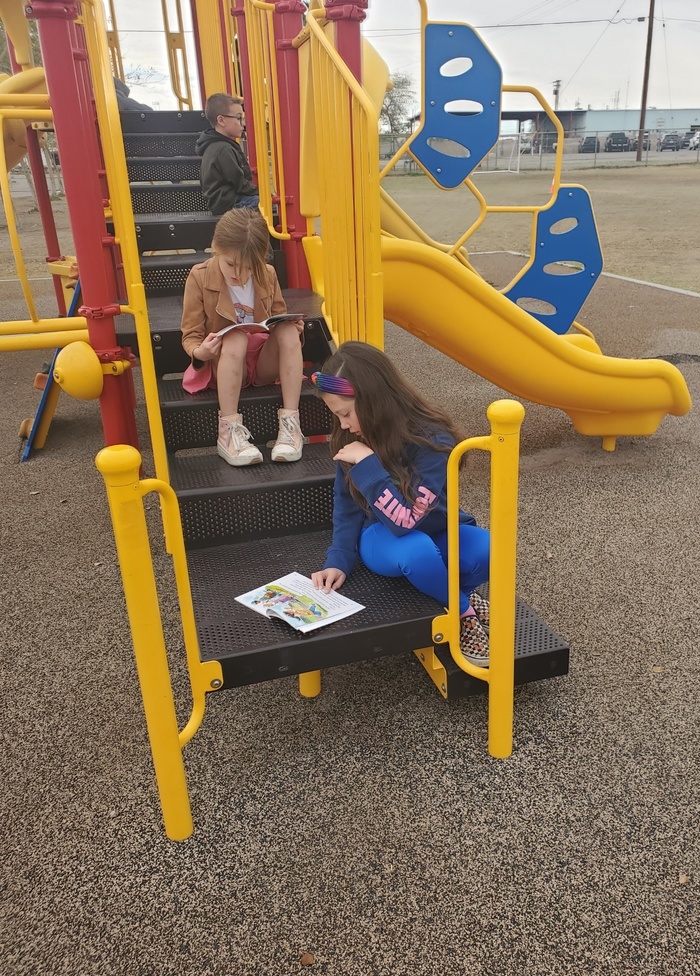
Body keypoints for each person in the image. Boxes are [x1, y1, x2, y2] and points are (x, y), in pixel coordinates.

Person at [310, 342, 492, 667]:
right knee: (417, 550)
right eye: (336, 416)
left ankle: (442, 590)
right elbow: (347, 507)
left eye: (347, 414)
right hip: (380, 537)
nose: (344, 425)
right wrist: (337, 559)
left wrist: (368, 464)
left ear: (374, 401)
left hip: (432, 526)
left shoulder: (432, 438)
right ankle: (462, 610)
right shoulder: (353, 440)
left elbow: (409, 518)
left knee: (489, 548)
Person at [180, 208, 304, 465]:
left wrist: (291, 327)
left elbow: (277, 315)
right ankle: (228, 431)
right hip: (224, 362)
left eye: (249, 267)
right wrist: (200, 352)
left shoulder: (267, 273)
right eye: (230, 265)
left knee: (288, 328)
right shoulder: (200, 276)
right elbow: (190, 334)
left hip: (261, 361)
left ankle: (290, 426)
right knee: (236, 337)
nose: (239, 274)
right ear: (216, 248)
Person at [196, 93, 260, 215]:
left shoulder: (217, 145)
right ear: (221, 120)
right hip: (228, 203)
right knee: (267, 205)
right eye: (238, 118)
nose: (243, 123)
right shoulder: (222, 149)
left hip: (223, 201)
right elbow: (239, 183)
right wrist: (262, 192)